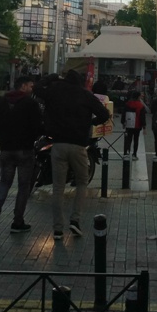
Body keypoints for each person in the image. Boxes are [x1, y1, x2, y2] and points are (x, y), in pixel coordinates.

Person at [42, 70, 110, 240]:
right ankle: (75, 220)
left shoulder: (55, 92)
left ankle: (58, 229)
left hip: (58, 144)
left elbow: (36, 88)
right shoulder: (85, 95)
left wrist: (51, 77)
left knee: (58, 187)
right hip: (79, 145)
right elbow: (104, 114)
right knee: (81, 182)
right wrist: (89, 123)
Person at [0, 75, 44, 234]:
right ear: (23, 86)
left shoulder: (2, 102)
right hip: (25, 149)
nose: (32, 88)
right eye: (30, 86)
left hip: (6, 149)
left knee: (4, 182)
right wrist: (33, 138)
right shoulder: (30, 103)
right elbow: (37, 126)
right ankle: (18, 221)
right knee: (23, 186)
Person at [121, 89, 147, 159]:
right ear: (138, 97)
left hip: (129, 125)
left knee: (128, 139)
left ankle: (126, 153)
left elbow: (124, 114)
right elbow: (142, 117)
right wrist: (144, 127)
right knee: (136, 140)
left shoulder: (127, 104)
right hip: (137, 125)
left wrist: (123, 122)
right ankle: (134, 154)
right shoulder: (141, 106)